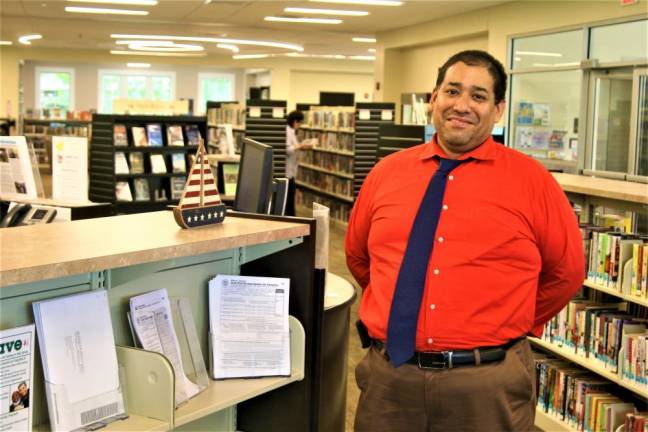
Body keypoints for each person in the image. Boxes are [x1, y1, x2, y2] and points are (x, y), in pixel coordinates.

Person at [345, 50, 584, 432]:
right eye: (452, 91)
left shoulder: (532, 182)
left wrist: (506, 321)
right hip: (391, 381)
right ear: (432, 100)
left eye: (478, 95)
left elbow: (566, 274)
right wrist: (403, 309)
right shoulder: (386, 174)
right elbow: (359, 257)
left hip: (485, 386)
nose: (462, 105)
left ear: (498, 109)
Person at [285, 110, 312, 216]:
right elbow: (287, 149)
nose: (300, 126)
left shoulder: (291, 131)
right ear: (295, 121)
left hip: (291, 171)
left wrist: (302, 147)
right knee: (289, 199)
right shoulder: (287, 131)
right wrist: (300, 146)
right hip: (287, 172)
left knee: (290, 199)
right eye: (300, 123)